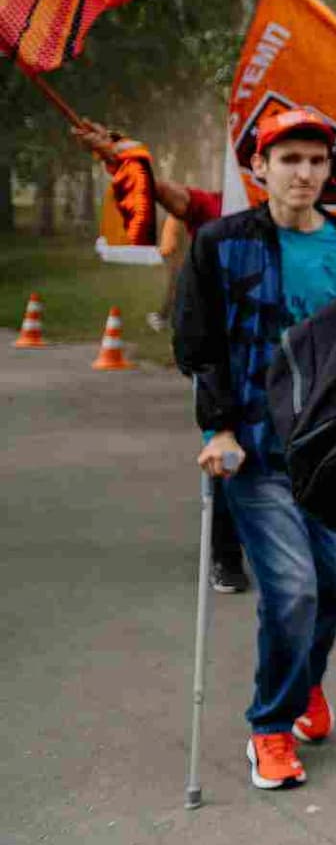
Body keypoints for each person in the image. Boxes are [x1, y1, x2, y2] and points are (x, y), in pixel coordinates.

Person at [173, 107, 336, 790]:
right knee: (290, 589)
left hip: (335, 449)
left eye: (317, 161)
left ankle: (305, 681)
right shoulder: (222, 243)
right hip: (255, 449)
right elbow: (199, 345)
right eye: (290, 159)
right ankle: (270, 726)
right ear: (259, 168)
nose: (306, 173)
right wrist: (218, 429)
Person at [72, 118, 252, 592]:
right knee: (228, 454)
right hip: (223, 362)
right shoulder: (219, 208)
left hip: (285, 364)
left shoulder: (310, 217)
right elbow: (166, 193)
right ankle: (226, 557)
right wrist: (120, 154)